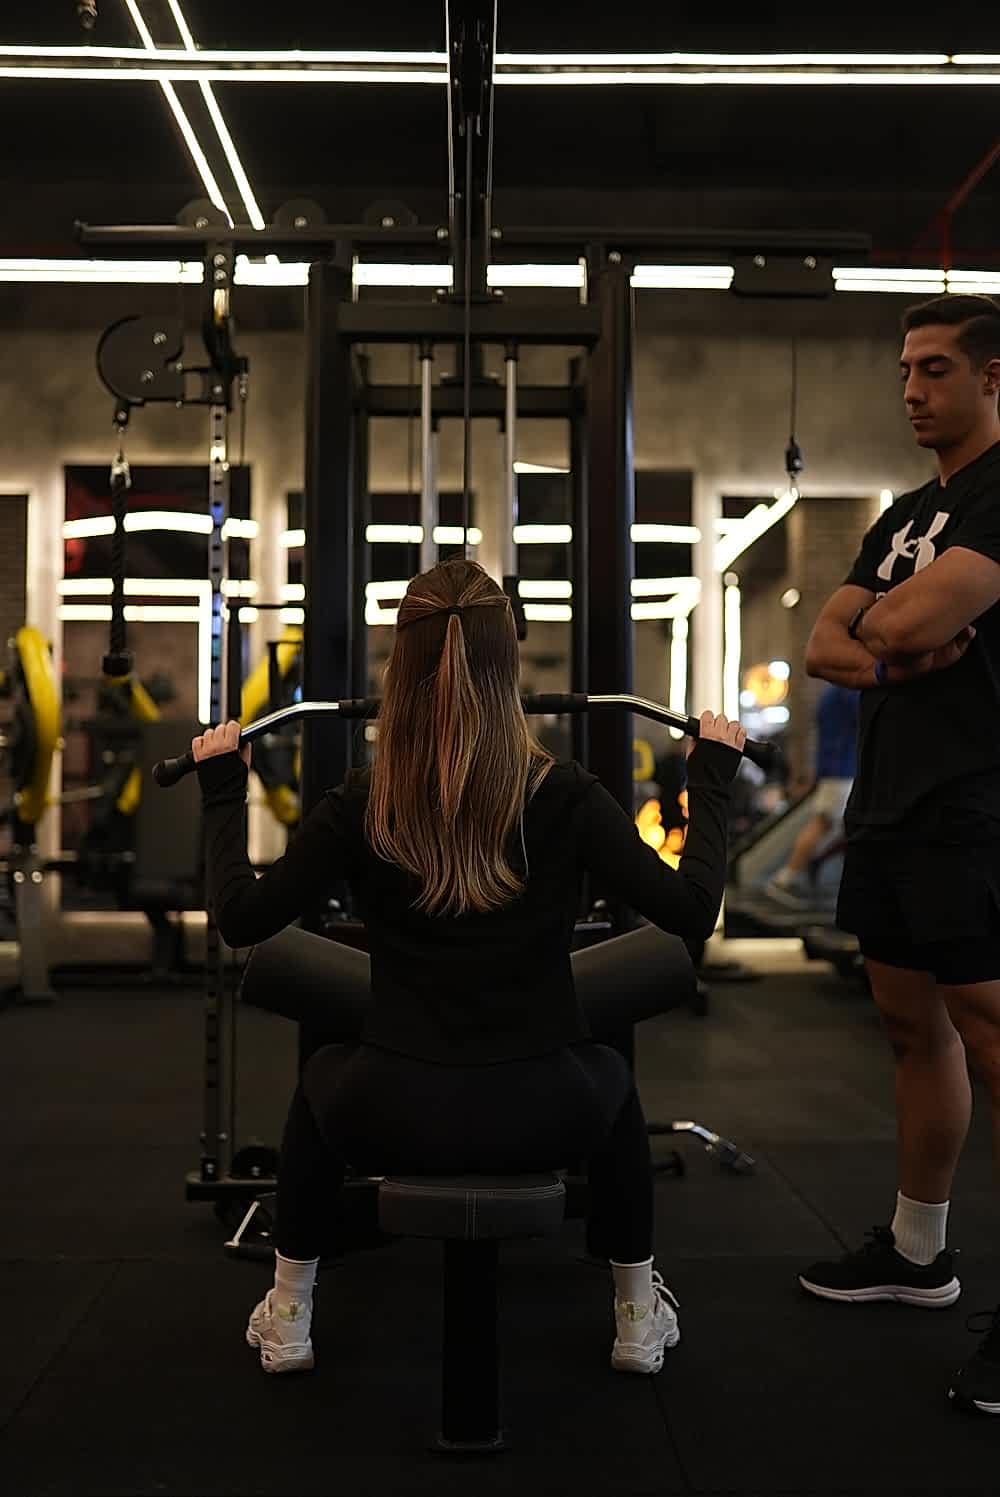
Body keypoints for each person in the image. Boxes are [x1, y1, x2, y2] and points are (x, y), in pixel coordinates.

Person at [192, 559, 746, 1380]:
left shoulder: (360, 801)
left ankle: (289, 1312)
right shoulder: (568, 795)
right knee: (615, 1083)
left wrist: (221, 790)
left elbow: (241, 917)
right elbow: (693, 911)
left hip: (390, 1113)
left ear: (399, 667)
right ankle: (636, 1316)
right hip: (547, 1114)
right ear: (508, 664)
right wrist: (711, 778)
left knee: (318, 1084)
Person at [800, 293, 1000, 1414]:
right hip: (888, 806)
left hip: (974, 802)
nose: (912, 390)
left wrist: (884, 635)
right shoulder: (904, 515)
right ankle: (919, 1253)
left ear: (993, 377)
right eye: (905, 372)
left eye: (934, 369)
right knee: (908, 1029)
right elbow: (827, 642)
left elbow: (901, 621)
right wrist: (889, 651)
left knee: (991, 1040)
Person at [764, 683, 859, 908]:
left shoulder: (831, 693)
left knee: (833, 826)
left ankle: (803, 872)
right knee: (825, 823)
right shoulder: (846, 691)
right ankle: (786, 878)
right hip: (841, 769)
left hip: (837, 767)